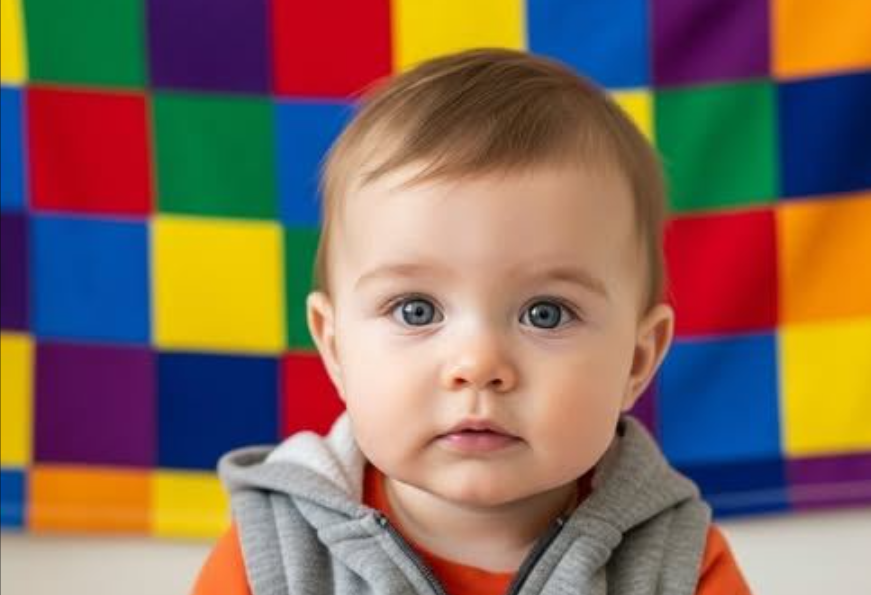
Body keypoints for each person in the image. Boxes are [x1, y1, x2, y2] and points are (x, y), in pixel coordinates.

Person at [192, 48, 751, 595]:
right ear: (335, 348)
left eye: (545, 313)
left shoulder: (681, 566)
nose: (478, 365)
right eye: (416, 310)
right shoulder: (272, 559)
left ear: (637, 359)